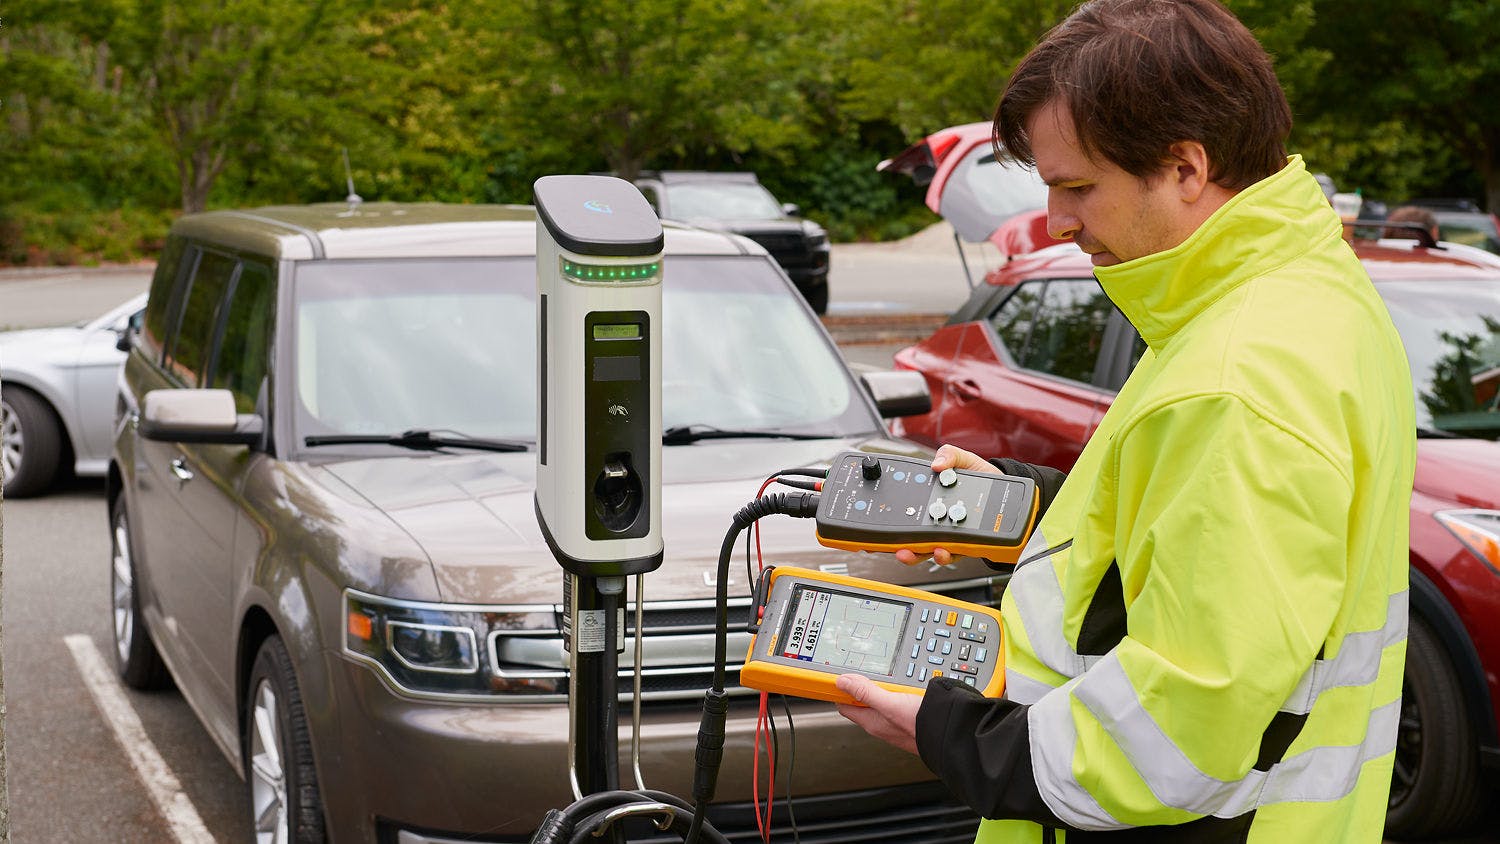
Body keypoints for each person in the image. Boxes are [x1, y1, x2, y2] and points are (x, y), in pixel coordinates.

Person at [834, 1, 1416, 841]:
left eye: (1078, 187)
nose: (1058, 223)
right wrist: (1030, 504)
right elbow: (1208, 536)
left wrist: (955, 736)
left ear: (1185, 166)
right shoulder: (1302, 296)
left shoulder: (1235, 376)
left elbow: (1177, 728)